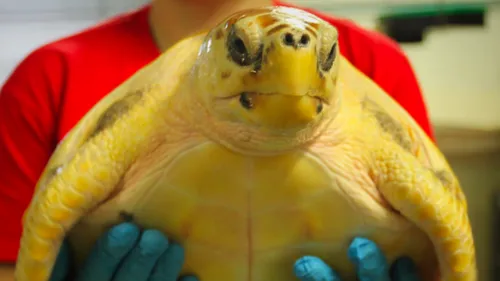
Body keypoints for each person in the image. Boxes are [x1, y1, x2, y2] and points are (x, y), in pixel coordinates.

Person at [0, 0, 434, 280]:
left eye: (322, 59)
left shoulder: (375, 66)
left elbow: (442, 253)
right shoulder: (48, 81)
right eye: (247, 50)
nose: (298, 63)